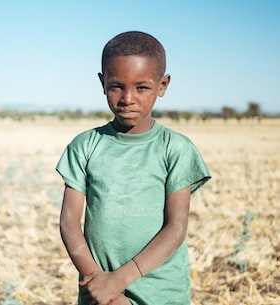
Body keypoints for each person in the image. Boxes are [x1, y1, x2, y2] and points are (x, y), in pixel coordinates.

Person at [56, 31, 211, 305]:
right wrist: (102, 286)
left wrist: (118, 281)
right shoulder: (85, 146)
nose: (127, 98)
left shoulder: (175, 148)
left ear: (162, 85)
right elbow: (69, 223)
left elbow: (176, 228)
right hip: (99, 292)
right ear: (102, 83)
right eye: (116, 86)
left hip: (162, 293)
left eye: (142, 87)